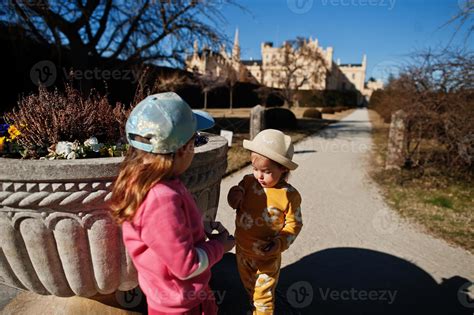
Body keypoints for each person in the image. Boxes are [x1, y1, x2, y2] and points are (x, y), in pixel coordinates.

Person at [109, 92, 235, 315]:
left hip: (180, 298)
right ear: (181, 150)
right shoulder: (160, 198)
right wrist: (220, 247)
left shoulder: (144, 184)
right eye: (195, 141)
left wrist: (195, 230)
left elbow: (164, 239)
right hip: (182, 306)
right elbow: (187, 266)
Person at [227, 129, 303, 315]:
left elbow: (294, 225)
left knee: (264, 297)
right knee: (250, 289)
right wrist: (233, 196)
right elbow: (234, 203)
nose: (259, 176)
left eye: (266, 171)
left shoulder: (289, 195)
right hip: (243, 251)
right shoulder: (248, 183)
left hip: (267, 256)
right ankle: (255, 308)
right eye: (255, 169)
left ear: (283, 169)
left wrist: (279, 243)